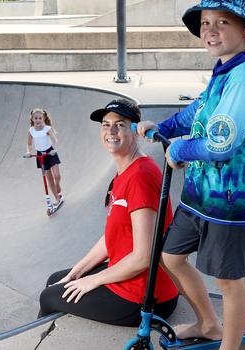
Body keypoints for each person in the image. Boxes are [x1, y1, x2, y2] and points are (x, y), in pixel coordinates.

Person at [136, 0, 245, 349]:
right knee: (170, 256)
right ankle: (208, 324)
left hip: (230, 199)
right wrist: (164, 127)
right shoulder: (225, 70)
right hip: (201, 193)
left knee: (229, 281)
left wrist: (181, 149)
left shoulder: (244, 79)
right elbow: (200, 110)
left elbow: (220, 142)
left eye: (222, 21)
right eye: (205, 21)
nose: (209, 29)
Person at [38, 99, 179, 326]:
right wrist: (77, 272)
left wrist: (93, 280)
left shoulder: (141, 177)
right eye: (105, 124)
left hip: (145, 297)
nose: (110, 131)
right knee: (57, 280)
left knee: (48, 297)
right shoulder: (124, 171)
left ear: (135, 131)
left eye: (120, 125)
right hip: (131, 276)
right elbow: (112, 236)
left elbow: (143, 257)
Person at [25, 108, 64, 206]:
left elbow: (55, 141)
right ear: (32, 119)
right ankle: (57, 198)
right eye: (36, 118)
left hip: (50, 152)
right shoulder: (31, 131)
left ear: (44, 118)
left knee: (57, 176)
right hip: (40, 155)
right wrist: (29, 152)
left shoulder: (47, 129)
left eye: (40, 118)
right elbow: (29, 144)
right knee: (49, 178)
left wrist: (54, 149)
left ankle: (58, 186)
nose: (38, 120)